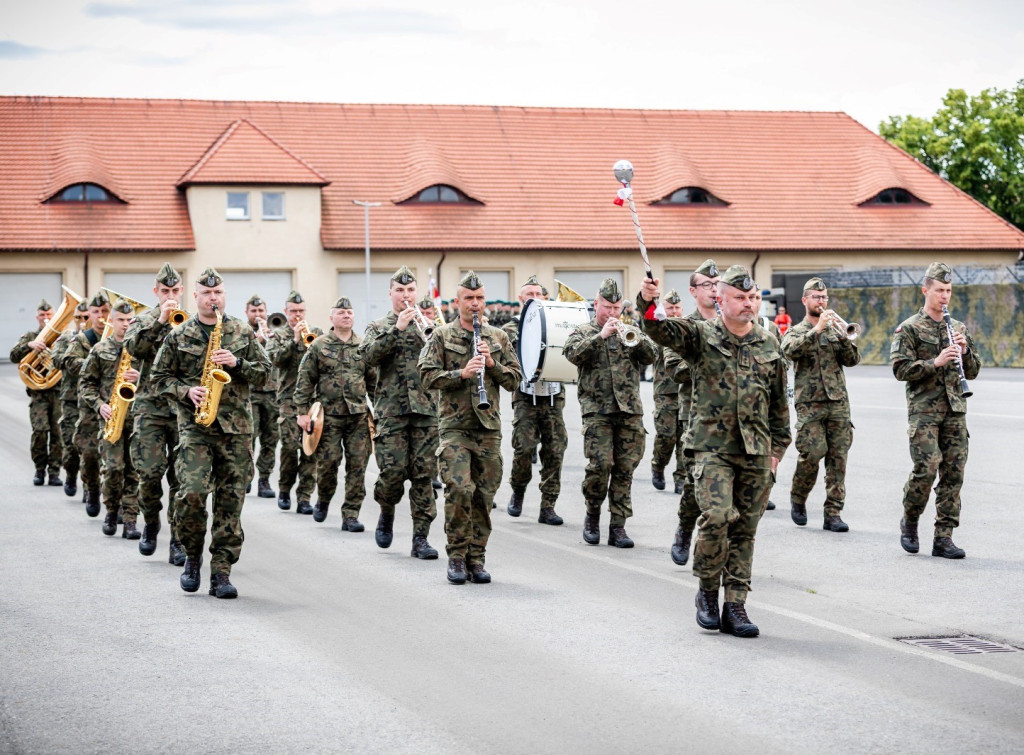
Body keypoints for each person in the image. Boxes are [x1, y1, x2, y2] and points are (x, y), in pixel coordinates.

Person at [639, 265, 790, 638]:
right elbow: (657, 329)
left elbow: (778, 404)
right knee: (719, 517)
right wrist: (647, 300)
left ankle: (735, 604)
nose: (747, 304)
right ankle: (707, 592)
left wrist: (778, 450)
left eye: (751, 297)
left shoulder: (769, 343)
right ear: (719, 299)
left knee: (745, 530)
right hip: (711, 447)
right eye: (738, 297)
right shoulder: (699, 335)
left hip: (756, 449)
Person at [151, 267, 271, 598]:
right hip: (196, 428)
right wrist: (185, 391)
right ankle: (192, 556)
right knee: (190, 494)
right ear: (196, 297)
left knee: (230, 502)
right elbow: (158, 378)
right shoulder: (179, 335)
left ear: (224, 295)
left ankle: (221, 572)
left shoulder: (241, 331)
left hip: (236, 430)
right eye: (206, 293)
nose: (213, 298)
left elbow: (265, 373)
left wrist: (237, 364)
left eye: (218, 293)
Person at [419, 271, 522, 584]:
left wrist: (493, 365)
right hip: (454, 427)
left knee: (484, 496)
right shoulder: (441, 335)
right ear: (457, 302)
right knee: (460, 489)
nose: (475, 304)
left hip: (488, 429)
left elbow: (515, 380)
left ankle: (477, 558)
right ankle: (457, 557)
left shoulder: (499, 337)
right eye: (469, 299)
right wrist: (461, 375)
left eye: (479, 299)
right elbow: (427, 377)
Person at [891, 262, 980, 559]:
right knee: (926, 469)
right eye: (939, 290)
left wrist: (965, 352)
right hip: (924, 411)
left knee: (954, 474)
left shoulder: (958, 327)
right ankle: (911, 520)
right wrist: (935, 362)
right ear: (925, 290)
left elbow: (975, 370)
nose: (944, 296)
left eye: (949, 291)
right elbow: (900, 368)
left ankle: (944, 537)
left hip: (955, 409)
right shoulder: (910, 328)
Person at [563, 278, 657, 548]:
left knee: (625, 469)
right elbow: (572, 354)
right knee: (600, 466)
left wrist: (634, 338)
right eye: (607, 307)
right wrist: (600, 336)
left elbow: (651, 356)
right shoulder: (583, 331)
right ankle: (592, 515)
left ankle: (618, 526)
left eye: (617, 307)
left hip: (629, 411)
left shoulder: (630, 329)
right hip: (598, 411)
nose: (613, 313)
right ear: (596, 305)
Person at [360, 266, 440, 560]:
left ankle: (420, 538)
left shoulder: (431, 324)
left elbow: (444, 359)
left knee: (423, 475)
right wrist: (398, 330)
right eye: (399, 291)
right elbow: (367, 357)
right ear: (390, 294)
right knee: (392, 473)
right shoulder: (378, 326)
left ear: (415, 293)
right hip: (391, 410)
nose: (405, 296)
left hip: (426, 410)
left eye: (410, 291)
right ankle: (386, 509)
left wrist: (430, 332)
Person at [781, 278, 860, 532]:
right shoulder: (796, 331)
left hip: (838, 403)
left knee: (839, 458)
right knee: (811, 455)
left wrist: (845, 338)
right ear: (805, 300)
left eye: (824, 297)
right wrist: (816, 331)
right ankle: (798, 498)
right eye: (816, 297)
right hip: (810, 404)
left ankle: (833, 513)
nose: (821, 301)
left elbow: (853, 360)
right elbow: (789, 351)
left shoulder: (836, 330)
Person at [123, 263, 187, 564]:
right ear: (156, 292)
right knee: (148, 473)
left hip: (182, 408)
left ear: (183, 291)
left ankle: (177, 540)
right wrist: (161, 320)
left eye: (175, 291)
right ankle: (150, 523)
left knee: (181, 478)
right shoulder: (144, 319)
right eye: (165, 291)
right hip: (150, 407)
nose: (170, 296)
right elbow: (134, 349)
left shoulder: (191, 321)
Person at [294, 297, 375, 532]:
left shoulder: (363, 345)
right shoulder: (319, 345)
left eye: (349, 312)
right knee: (328, 465)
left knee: (358, 466)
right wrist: (302, 412)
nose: (346, 315)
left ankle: (350, 514)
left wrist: (380, 411)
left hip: (358, 416)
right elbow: (305, 380)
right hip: (327, 417)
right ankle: (324, 498)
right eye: (341, 312)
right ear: (332, 318)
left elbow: (373, 381)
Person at [662, 259, 720, 566]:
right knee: (695, 484)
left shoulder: (734, 322)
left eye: (717, 284)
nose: (713, 290)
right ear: (693, 292)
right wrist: (706, 361)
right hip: (697, 415)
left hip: (732, 419)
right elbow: (674, 370)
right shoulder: (682, 328)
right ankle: (685, 529)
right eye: (707, 285)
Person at [504, 275, 567, 525]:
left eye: (539, 295)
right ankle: (518, 492)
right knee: (524, 449)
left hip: (552, 395)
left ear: (546, 298)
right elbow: (507, 345)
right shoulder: (513, 326)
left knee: (555, 451)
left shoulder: (555, 322)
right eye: (529, 295)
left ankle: (548, 505)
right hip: (525, 396)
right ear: (521, 299)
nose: (535, 298)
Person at [79, 298, 142, 539]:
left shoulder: (140, 351)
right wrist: (99, 405)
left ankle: (130, 520)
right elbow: (86, 383)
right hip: (111, 417)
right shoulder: (99, 349)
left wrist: (141, 376)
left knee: (134, 470)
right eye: (121, 320)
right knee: (114, 469)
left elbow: (159, 380)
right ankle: (111, 510)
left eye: (129, 320)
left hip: (136, 418)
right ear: (111, 321)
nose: (125, 324)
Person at [268, 291, 321, 514]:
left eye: (301, 311)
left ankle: (305, 497)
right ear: (286, 312)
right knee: (290, 448)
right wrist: (295, 341)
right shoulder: (278, 335)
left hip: (313, 401)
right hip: (288, 400)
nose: (297, 316)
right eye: (293, 311)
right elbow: (276, 360)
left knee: (311, 451)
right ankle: (284, 489)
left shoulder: (316, 333)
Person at [57, 291, 110, 517]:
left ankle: (119, 507)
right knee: (88, 453)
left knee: (118, 459)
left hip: (114, 404)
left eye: (105, 311)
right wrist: (94, 360)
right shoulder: (82, 339)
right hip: (87, 405)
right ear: (89, 314)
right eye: (96, 312)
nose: (100, 316)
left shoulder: (117, 337)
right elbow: (67, 361)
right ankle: (91, 487)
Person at [10, 298, 64, 486]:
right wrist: (30, 346)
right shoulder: (31, 336)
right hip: (38, 393)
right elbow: (13, 355)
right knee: (40, 431)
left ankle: (55, 471)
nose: (46, 318)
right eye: (42, 315)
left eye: (49, 314)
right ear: (37, 317)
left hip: (58, 392)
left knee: (57, 433)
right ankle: (40, 470)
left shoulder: (62, 337)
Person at [51, 300, 90, 499]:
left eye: (86, 317)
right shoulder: (67, 338)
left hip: (91, 399)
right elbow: (56, 360)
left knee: (88, 445)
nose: (83, 321)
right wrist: (72, 353)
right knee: (70, 443)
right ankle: (71, 474)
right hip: (71, 398)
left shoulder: (97, 339)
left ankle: (89, 486)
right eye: (78, 317)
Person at [244, 294, 280, 499]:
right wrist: (256, 340)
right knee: (250, 437)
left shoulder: (275, 331)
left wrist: (269, 338)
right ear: (247, 313)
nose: (258, 315)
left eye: (261, 311)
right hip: (251, 392)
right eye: (254, 311)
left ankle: (264, 479)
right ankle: (247, 476)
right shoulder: (242, 333)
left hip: (273, 393)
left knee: (271, 439)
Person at [650, 289, 686, 494]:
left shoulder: (689, 328)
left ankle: (681, 477)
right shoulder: (657, 330)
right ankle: (658, 464)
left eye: (677, 307)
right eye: (670, 307)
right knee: (666, 435)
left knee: (685, 436)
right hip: (665, 390)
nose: (674, 311)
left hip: (686, 390)